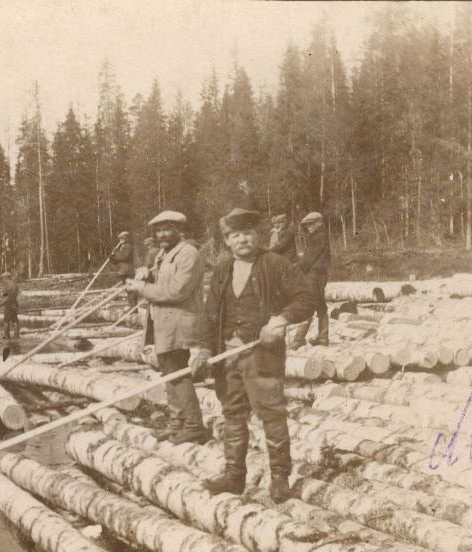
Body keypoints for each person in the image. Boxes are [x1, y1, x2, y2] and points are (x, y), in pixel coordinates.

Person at [189, 208, 313, 503]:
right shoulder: (222, 270)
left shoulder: (275, 264)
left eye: (248, 233)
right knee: (232, 414)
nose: (242, 239)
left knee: (271, 414)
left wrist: (279, 321)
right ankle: (234, 476)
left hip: (262, 355)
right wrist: (205, 348)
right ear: (227, 241)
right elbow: (209, 314)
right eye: (235, 235)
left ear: (258, 235)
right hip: (227, 356)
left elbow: (306, 299)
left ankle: (280, 478)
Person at [124, 210, 207, 444]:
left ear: (178, 230)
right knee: (169, 371)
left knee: (179, 374)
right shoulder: (164, 253)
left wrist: (141, 288)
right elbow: (159, 276)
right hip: (163, 323)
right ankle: (176, 423)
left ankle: (193, 425)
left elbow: (177, 291)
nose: (162, 234)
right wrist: (146, 273)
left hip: (179, 322)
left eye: (167, 229)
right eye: (158, 230)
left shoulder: (188, 254)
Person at [290, 211, 331, 348]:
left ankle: (299, 339)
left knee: (309, 305)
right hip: (318, 275)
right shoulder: (318, 236)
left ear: (318, 223)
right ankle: (323, 337)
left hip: (315, 276)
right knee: (320, 306)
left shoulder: (318, 237)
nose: (308, 228)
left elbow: (309, 257)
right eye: (306, 226)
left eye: (311, 225)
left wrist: (296, 267)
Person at [0, 271, 19, 340]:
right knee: (15, 320)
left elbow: (6, 296)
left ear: (5, 278)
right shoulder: (14, 284)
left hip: (8, 304)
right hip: (15, 303)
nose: (2, 279)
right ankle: (16, 336)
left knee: (6, 320)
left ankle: (7, 337)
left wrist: (1, 303)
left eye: (3, 278)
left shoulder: (6, 285)